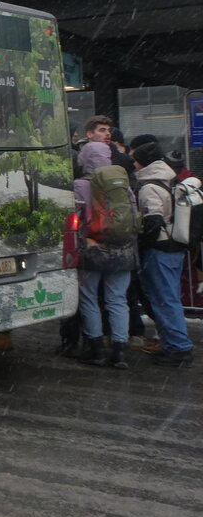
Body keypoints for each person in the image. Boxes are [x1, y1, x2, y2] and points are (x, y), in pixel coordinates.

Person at [73, 141, 135, 369]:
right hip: (122, 248)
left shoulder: (80, 185)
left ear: (85, 159)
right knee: (117, 299)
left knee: (89, 298)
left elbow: (77, 218)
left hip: (93, 248)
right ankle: (120, 351)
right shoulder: (122, 184)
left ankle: (96, 349)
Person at [133, 141, 195, 367]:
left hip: (160, 249)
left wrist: (142, 245)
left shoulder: (149, 186)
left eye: (135, 159)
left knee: (165, 300)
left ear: (142, 162)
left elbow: (153, 222)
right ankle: (173, 345)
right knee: (169, 298)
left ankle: (179, 349)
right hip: (176, 247)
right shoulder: (171, 178)